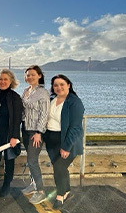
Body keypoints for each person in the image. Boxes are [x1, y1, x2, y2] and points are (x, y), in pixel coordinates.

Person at [43, 74, 84, 210]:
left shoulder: (74, 102)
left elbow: (75, 127)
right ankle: (66, 189)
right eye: (55, 85)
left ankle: (60, 195)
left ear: (68, 85)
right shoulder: (52, 99)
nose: (59, 87)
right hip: (51, 140)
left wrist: (66, 147)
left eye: (62, 84)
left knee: (59, 167)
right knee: (60, 167)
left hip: (67, 141)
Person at [0, 68, 23, 197]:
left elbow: (17, 118)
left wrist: (14, 136)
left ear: (11, 81)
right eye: (0, 79)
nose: (3, 82)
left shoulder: (15, 97)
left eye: (5, 79)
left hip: (9, 135)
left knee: (9, 160)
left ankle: (6, 185)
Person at [21, 65, 50, 204]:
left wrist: (39, 132)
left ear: (39, 75)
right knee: (30, 160)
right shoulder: (26, 91)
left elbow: (44, 113)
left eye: (32, 74)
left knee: (32, 161)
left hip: (35, 132)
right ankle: (33, 184)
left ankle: (41, 191)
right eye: (27, 75)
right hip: (25, 130)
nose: (30, 77)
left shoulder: (43, 92)